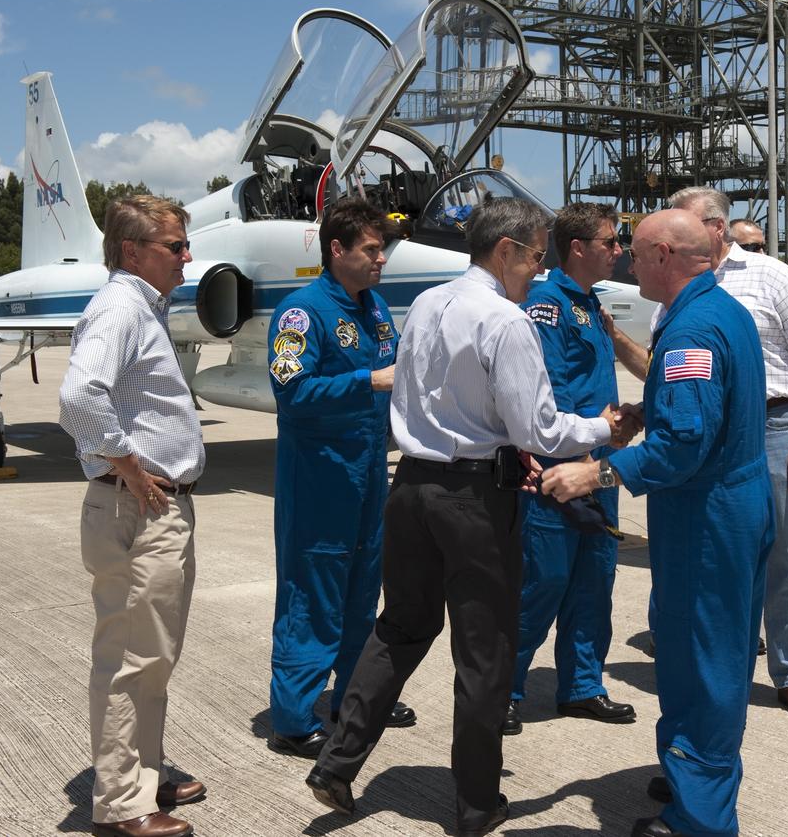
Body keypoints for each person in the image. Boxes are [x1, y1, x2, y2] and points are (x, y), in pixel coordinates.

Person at [305, 196, 629, 837]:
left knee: (399, 628)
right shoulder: (507, 323)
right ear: (505, 251)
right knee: (484, 653)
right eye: (537, 257)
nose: (542, 270)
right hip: (474, 502)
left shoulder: (426, 303)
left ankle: (336, 765)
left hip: (414, 488)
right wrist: (606, 428)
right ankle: (477, 803)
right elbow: (538, 426)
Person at [543, 208, 773, 837]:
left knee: (706, 659)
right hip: (723, 504)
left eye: (636, 253)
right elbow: (701, 408)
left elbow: (684, 442)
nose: (625, 262)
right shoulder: (716, 310)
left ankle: (700, 815)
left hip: (709, 516)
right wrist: (654, 408)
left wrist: (597, 472)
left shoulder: (693, 329)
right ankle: (685, 767)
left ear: (666, 256)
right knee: (687, 648)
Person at [59, 196, 206, 837]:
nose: (186, 257)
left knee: (152, 653)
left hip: (145, 504)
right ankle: (121, 804)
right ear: (132, 251)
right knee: (131, 657)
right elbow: (78, 394)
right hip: (138, 507)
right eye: (175, 246)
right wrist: (130, 465)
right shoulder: (121, 308)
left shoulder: (144, 308)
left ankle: (144, 773)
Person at [669, 186, 788, 722]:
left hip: (770, 427)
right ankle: (730, 673)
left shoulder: (771, 276)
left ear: (715, 228)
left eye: (683, 224)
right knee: (723, 558)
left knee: (783, 555)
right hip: (707, 434)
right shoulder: (679, 284)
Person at [267, 198, 415, 759]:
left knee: (361, 591)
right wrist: (368, 381)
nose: (381, 260)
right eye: (371, 250)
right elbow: (292, 392)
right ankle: (291, 716)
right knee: (314, 595)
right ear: (338, 249)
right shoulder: (301, 314)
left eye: (382, 249)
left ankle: (355, 701)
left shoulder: (375, 308)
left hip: (369, 472)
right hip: (320, 478)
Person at [503, 202, 635, 737]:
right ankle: (506, 689)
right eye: (609, 242)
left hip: (599, 467)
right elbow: (547, 391)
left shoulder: (592, 306)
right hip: (559, 469)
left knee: (594, 580)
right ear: (577, 248)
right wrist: (578, 448)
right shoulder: (546, 305)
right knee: (543, 581)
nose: (618, 252)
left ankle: (582, 685)